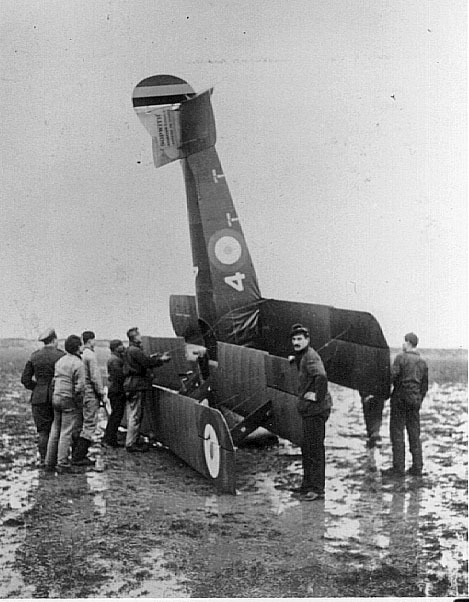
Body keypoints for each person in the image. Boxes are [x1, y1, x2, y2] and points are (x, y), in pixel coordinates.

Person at [289, 323, 333, 501]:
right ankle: (307, 486)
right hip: (309, 411)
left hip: (316, 410)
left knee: (314, 449)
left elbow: (321, 376)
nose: (296, 342)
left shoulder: (311, 356)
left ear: (307, 340)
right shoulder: (303, 356)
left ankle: (317, 489)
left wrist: (316, 396)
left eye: (300, 339)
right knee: (307, 448)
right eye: (294, 339)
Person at [382, 332, 428, 478]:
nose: (403, 344)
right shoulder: (422, 362)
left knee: (397, 433)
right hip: (414, 400)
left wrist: (384, 392)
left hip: (400, 399)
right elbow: (424, 386)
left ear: (408, 343)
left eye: (404, 342)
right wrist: (419, 399)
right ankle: (417, 466)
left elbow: (392, 376)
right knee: (414, 433)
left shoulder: (400, 358)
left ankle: (399, 468)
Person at [21, 328, 65, 466]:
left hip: (39, 398)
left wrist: (38, 387)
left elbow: (25, 379)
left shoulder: (34, 356)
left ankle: (43, 459)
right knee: (59, 429)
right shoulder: (61, 355)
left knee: (43, 431)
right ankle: (57, 459)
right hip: (57, 395)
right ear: (54, 340)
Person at [123, 327, 171, 453]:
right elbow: (147, 363)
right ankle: (131, 444)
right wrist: (161, 360)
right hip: (137, 384)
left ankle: (132, 440)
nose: (140, 337)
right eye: (139, 335)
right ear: (134, 337)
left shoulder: (130, 350)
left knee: (132, 413)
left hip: (131, 384)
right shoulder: (135, 350)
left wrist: (152, 358)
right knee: (136, 415)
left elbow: (144, 361)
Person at [44, 335, 85, 474]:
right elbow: (80, 387)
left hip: (56, 397)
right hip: (69, 399)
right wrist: (79, 402)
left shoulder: (60, 361)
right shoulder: (78, 364)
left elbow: (55, 381)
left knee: (55, 429)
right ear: (77, 347)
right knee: (66, 431)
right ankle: (62, 464)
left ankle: (49, 462)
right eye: (81, 345)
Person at [72, 331, 105, 466]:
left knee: (79, 424)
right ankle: (79, 456)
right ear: (91, 340)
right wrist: (102, 394)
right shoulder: (90, 355)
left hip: (80, 394)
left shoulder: (80, 355)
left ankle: (75, 452)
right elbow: (95, 378)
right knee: (90, 425)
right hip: (90, 394)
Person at [102, 339, 126, 447]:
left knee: (115, 415)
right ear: (116, 347)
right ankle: (110, 439)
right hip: (117, 390)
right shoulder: (115, 360)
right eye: (121, 345)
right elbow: (120, 375)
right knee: (116, 416)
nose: (123, 346)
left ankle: (109, 438)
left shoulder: (113, 358)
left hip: (114, 389)